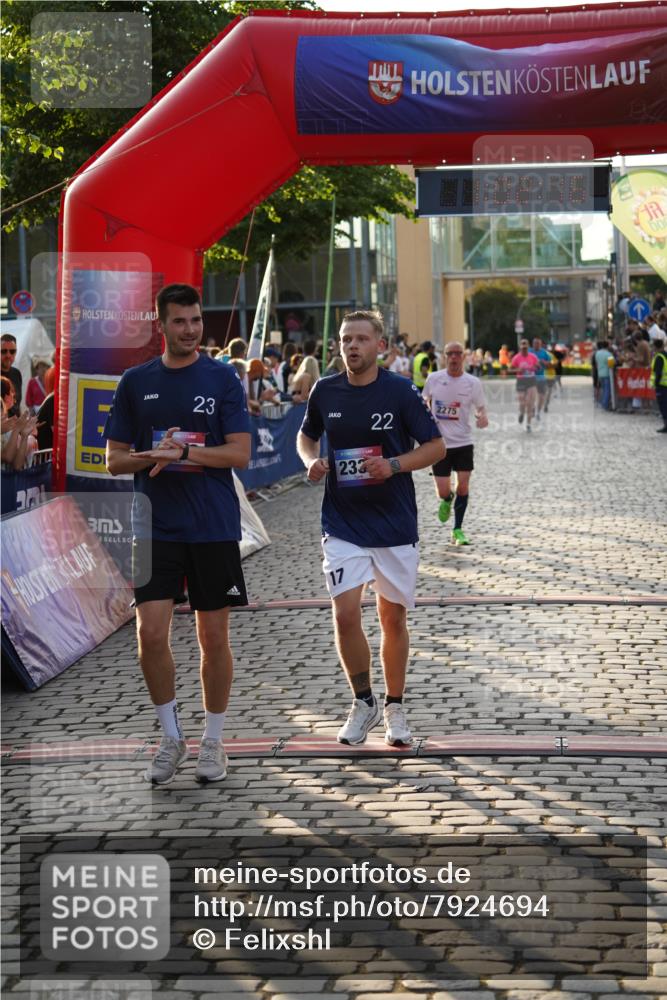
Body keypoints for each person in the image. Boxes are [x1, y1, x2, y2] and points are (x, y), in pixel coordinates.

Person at [104, 283, 251, 786]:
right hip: (154, 526)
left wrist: (185, 454)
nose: (190, 329)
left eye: (195, 320)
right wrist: (152, 457)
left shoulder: (222, 378)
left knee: (213, 637)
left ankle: (213, 740)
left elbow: (239, 454)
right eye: (180, 321)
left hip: (211, 525)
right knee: (150, 635)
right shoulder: (134, 381)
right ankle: (171, 736)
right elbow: (114, 460)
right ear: (160, 326)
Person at [296, 310, 444, 748]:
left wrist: (394, 465)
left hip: (394, 523)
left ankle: (395, 705)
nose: (352, 347)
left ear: (381, 345)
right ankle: (363, 702)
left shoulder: (400, 391)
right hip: (342, 521)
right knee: (344, 613)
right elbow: (306, 437)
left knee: (391, 618)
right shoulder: (325, 390)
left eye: (361, 339)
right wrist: (311, 462)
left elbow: (435, 446)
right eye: (345, 340)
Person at [423, 341, 488, 546]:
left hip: (463, 442)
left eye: (457, 353)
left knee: (463, 486)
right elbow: (423, 401)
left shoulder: (473, 383)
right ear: (444, 357)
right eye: (449, 353)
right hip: (439, 444)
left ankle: (457, 529)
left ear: (464, 356)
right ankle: (446, 499)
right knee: (443, 491)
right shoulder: (434, 379)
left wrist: (482, 417)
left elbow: (481, 407)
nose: (453, 357)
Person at [510, 339, 540, 431]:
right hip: (521, 380)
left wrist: (534, 367)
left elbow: (538, 367)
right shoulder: (516, 358)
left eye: (526, 347)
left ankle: (528, 424)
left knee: (530, 403)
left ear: (528, 347)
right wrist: (518, 370)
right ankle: (522, 413)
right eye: (522, 347)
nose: (524, 349)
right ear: (520, 347)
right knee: (522, 402)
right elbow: (510, 370)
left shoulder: (533, 357)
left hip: (531, 380)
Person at [530, 338, 552, 420]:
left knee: (542, 396)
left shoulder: (544, 353)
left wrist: (543, 362)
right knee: (532, 395)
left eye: (538, 343)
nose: (536, 345)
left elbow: (549, 364)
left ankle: (538, 412)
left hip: (541, 377)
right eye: (534, 343)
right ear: (532, 344)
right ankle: (532, 408)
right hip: (530, 377)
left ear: (541, 344)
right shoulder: (529, 351)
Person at [1, 334, 22, 417]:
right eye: (4, 351)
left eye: (12, 351)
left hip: (15, 428)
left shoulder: (16, 373)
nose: (8, 355)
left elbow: (17, 405)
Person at [650, 336, 667, 433]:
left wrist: (656, 384)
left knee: (663, 406)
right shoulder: (665, 355)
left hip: (661, 385)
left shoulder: (659, 357)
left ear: (656, 347)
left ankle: (666, 426)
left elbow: (658, 372)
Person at [594, 340, 614, 410]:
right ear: (608, 346)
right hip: (607, 374)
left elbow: (596, 363)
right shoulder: (609, 354)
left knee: (603, 389)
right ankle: (605, 405)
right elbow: (611, 365)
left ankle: (603, 403)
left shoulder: (597, 353)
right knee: (607, 390)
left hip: (600, 374)